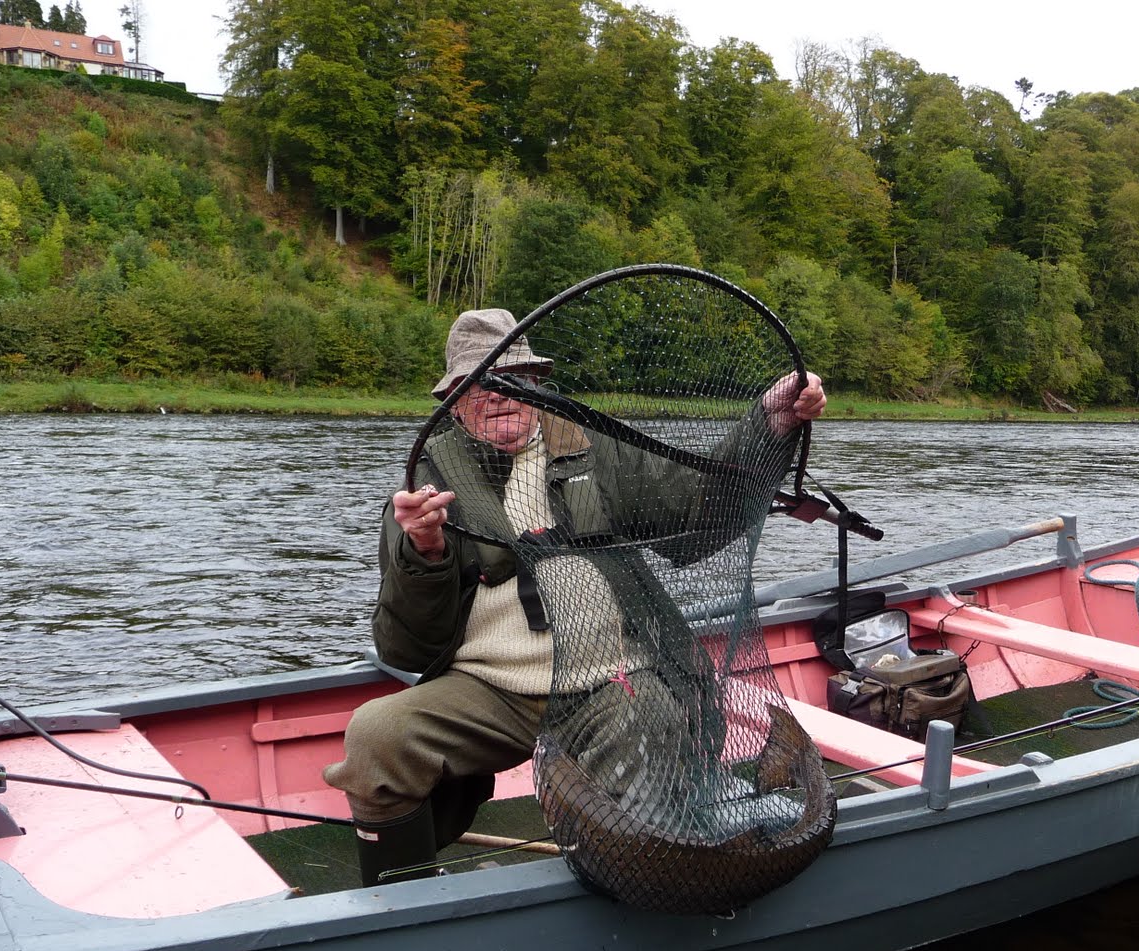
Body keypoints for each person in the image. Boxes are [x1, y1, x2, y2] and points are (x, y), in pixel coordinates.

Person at [322, 307, 827, 885]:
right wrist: (425, 553)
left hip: (613, 682)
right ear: (453, 402)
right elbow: (406, 649)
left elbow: (700, 513)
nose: (497, 395)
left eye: (513, 378)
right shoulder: (422, 488)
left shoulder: (599, 450)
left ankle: (637, 885)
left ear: (536, 384)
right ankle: (401, 902)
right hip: (491, 692)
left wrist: (768, 424)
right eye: (476, 385)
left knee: (650, 755)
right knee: (376, 735)